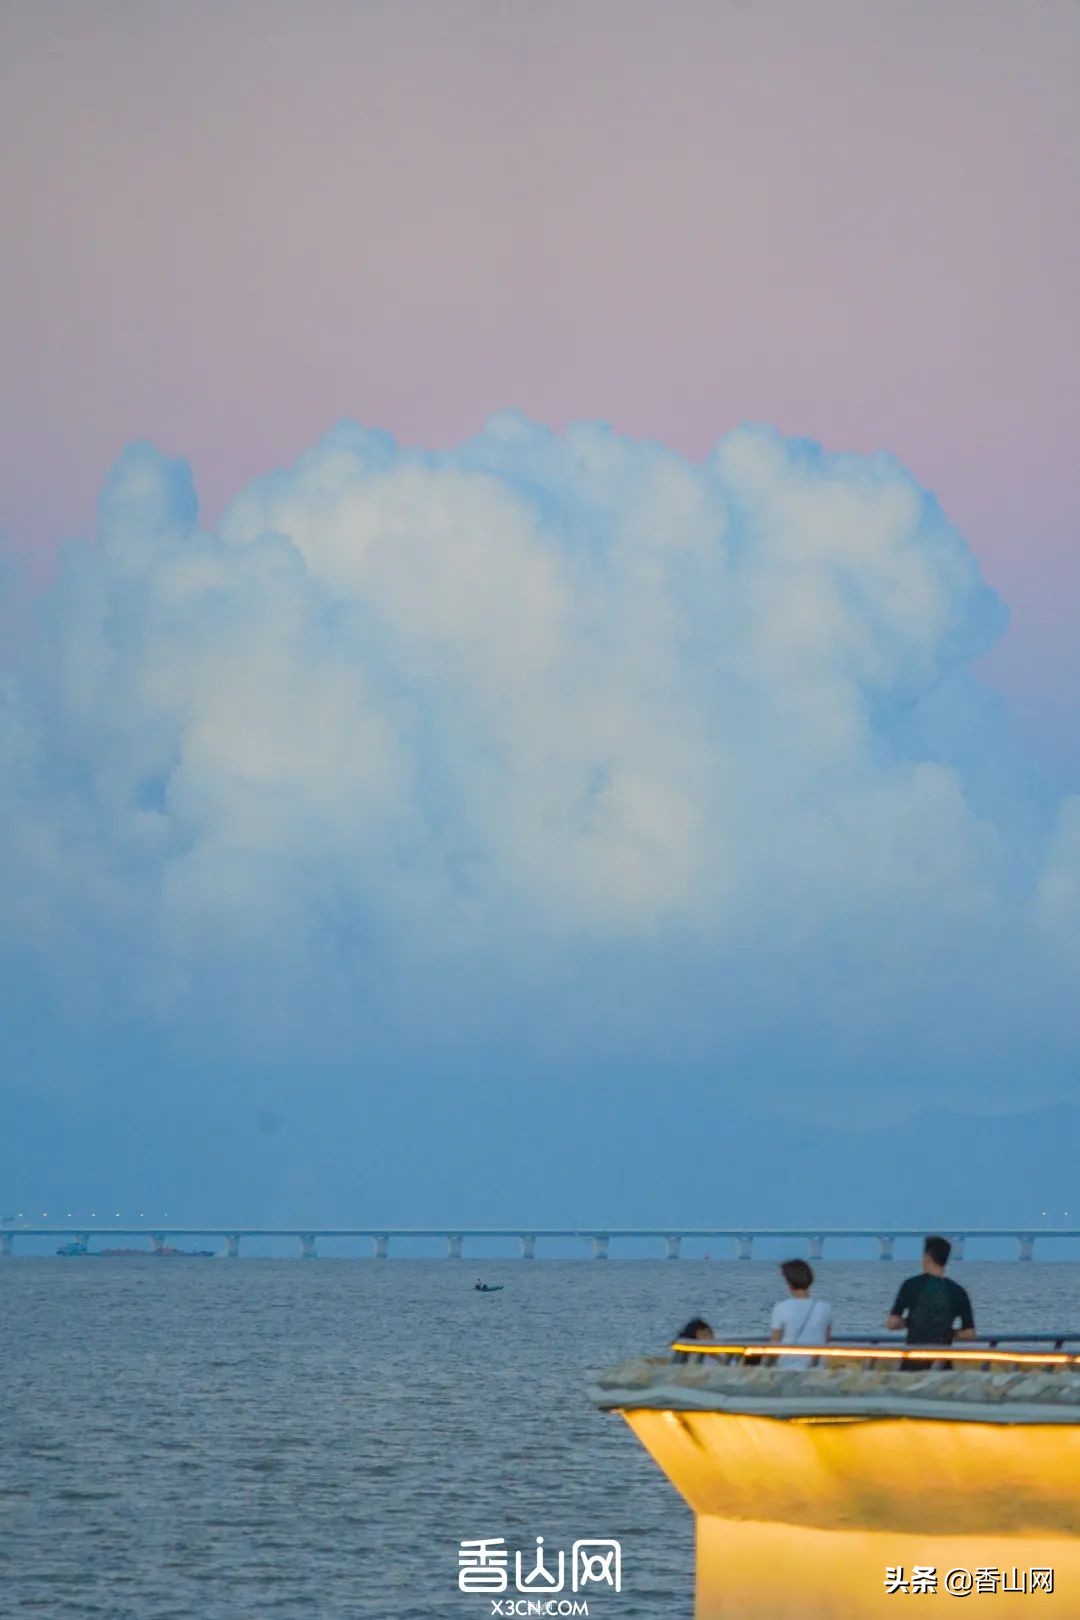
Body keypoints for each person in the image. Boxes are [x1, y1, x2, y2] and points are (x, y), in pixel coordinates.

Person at [886, 1235, 975, 1361]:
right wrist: (948, 1333)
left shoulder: (910, 1285)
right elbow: (970, 1334)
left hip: (913, 1361)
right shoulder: (958, 1291)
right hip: (942, 1362)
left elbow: (892, 1324)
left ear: (927, 1258)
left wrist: (909, 1322)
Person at [769, 1260, 832, 1368]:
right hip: (816, 1367)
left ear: (788, 1283)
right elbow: (826, 1340)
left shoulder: (781, 1307)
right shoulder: (825, 1307)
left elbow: (775, 1343)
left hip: (787, 1366)